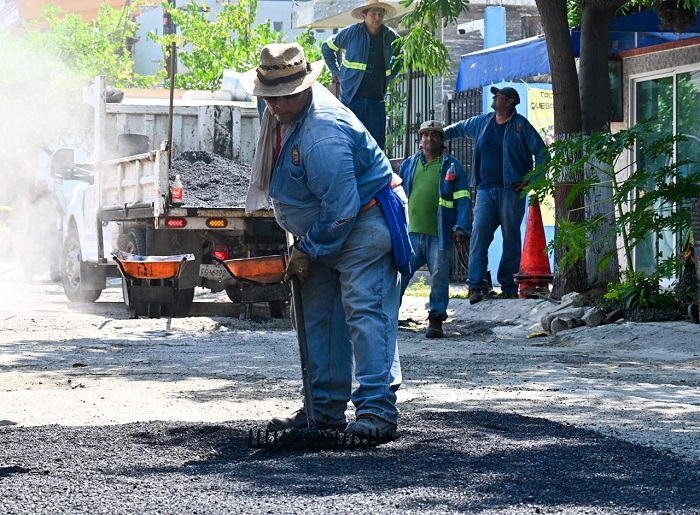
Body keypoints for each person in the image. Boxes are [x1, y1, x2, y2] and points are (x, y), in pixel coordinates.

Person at [241, 43, 408, 442]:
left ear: (304, 88)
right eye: (270, 97)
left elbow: (342, 208)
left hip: (362, 221)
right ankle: (323, 410)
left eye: (284, 98)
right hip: (325, 226)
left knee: (366, 313)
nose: (276, 107)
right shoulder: (284, 115)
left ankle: (377, 413)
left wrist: (309, 249)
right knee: (318, 316)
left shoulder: (323, 134)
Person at [443, 86, 548, 304]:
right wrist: (436, 135)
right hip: (485, 191)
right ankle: (475, 285)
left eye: (498, 96)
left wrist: (531, 181)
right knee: (479, 237)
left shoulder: (520, 126)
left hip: (511, 191)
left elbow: (542, 152)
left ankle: (508, 287)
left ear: (509, 102)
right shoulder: (483, 122)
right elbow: (459, 128)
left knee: (511, 239)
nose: (494, 98)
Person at [398, 120, 471, 338]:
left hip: (440, 234)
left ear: (442, 140)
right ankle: (388, 315)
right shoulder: (410, 164)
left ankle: (436, 319)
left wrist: (461, 228)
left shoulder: (452, 166)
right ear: (420, 140)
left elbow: (463, 200)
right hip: (411, 233)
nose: (429, 139)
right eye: (425, 135)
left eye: (434, 135)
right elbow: (399, 196)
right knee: (400, 274)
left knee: (439, 277)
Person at [321, 0, 401, 150]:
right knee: (349, 140)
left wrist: (390, 75)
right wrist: (335, 71)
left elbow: (401, 57)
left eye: (380, 14)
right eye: (373, 14)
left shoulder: (390, 36)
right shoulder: (352, 32)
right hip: (352, 97)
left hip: (376, 99)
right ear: (364, 15)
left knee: (376, 145)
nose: (377, 17)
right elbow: (327, 47)